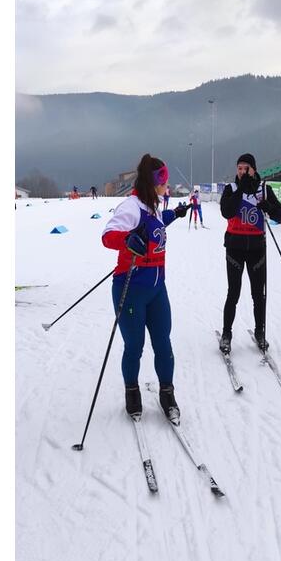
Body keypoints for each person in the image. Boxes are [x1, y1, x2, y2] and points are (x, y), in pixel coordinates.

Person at [101, 154, 190, 418]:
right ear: (153, 182)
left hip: (156, 289)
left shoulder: (152, 207)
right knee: (135, 346)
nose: (167, 187)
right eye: (164, 181)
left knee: (163, 342)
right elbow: (108, 236)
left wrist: (176, 213)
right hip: (131, 288)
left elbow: (157, 223)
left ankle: (167, 393)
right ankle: (132, 392)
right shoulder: (131, 206)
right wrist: (127, 239)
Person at [219, 153, 281, 353]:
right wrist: (241, 189)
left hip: (257, 250)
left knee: (259, 295)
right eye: (239, 168)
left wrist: (266, 206)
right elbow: (227, 212)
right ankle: (226, 334)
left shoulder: (264, 189)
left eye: (245, 168)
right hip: (235, 250)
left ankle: (260, 331)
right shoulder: (231, 189)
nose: (241, 172)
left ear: (254, 169)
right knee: (233, 293)